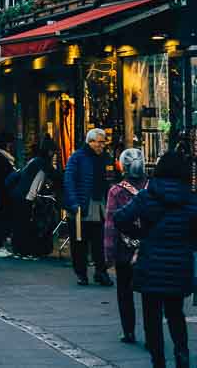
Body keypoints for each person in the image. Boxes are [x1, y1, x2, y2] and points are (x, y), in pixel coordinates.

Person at [114, 151, 197, 368]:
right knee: (175, 313)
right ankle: (182, 354)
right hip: (179, 264)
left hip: (150, 263)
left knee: (152, 316)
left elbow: (120, 218)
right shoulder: (190, 199)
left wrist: (140, 234)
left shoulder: (146, 196)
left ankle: (158, 361)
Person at [105, 147, 148, 346]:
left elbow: (110, 225)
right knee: (150, 296)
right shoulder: (152, 188)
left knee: (124, 292)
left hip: (125, 248)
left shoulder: (116, 191)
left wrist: (109, 253)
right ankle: (152, 334)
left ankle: (128, 332)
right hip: (148, 249)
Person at [64, 128, 115, 286]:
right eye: (99, 142)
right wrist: (73, 203)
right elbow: (69, 180)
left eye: (103, 142)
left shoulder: (105, 158)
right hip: (82, 205)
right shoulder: (77, 157)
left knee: (100, 241)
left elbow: (111, 179)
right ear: (90, 142)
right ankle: (81, 273)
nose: (102, 145)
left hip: (100, 204)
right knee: (79, 242)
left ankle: (101, 271)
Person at [10, 137, 61, 259]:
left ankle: (18, 250)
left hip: (19, 194)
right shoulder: (43, 163)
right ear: (49, 152)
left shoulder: (34, 160)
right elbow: (56, 177)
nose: (54, 155)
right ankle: (25, 251)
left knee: (20, 224)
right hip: (26, 197)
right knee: (25, 224)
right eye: (53, 152)